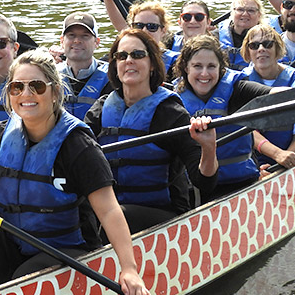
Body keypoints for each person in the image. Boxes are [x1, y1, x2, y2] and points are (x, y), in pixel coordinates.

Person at [0, 48, 150, 295]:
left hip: (65, 248)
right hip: (12, 241)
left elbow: (109, 210)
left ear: (55, 92)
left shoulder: (78, 146)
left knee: (25, 280)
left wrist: (129, 269)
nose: (26, 94)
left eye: (36, 87)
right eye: (17, 88)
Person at [84, 29, 219, 232]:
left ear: (152, 65)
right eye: (122, 56)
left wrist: (209, 148)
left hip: (165, 218)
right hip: (111, 214)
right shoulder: (100, 110)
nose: (129, 60)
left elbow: (204, 182)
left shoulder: (170, 113)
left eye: (137, 55)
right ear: (115, 65)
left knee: (117, 216)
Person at [174, 35, 295, 199]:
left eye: (211, 66)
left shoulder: (237, 89)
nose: (204, 74)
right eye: (197, 66)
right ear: (186, 67)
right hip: (196, 189)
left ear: (220, 68)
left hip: (243, 183)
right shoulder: (175, 101)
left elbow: (269, 94)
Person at [239, 24, 295, 156]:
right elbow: (242, 129)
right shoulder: (241, 81)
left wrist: (285, 161)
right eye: (254, 46)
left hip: (292, 155)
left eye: (267, 44)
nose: (261, 49)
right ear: (248, 52)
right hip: (253, 160)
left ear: (277, 49)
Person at [99, 0, 179, 77]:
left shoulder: (176, 63)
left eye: (152, 27)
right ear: (132, 28)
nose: (144, 31)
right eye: (139, 26)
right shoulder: (120, 58)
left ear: (163, 31)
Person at [57, 11, 111, 119]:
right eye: (71, 35)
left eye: (85, 36)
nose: (77, 41)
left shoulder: (112, 77)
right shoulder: (49, 76)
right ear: (62, 41)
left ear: (97, 42)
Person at [217, 0, 265, 70]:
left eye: (251, 10)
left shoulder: (267, 40)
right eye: (240, 10)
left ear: (259, 15)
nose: (245, 14)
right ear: (232, 12)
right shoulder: (215, 36)